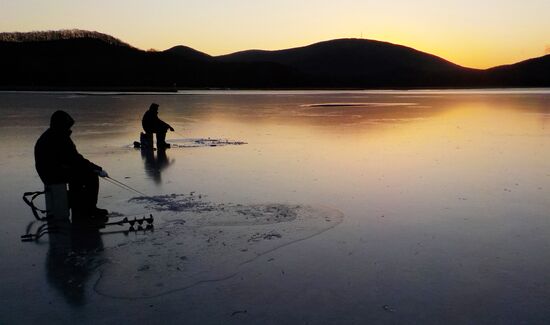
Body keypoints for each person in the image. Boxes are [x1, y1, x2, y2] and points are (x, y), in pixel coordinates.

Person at [35, 110, 109, 224]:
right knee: (90, 176)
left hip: (48, 173)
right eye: (67, 126)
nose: (70, 129)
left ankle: (79, 209)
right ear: (62, 125)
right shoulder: (59, 137)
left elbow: (72, 160)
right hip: (53, 174)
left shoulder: (52, 134)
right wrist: (96, 169)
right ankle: (90, 209)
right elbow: (75, 160)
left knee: (78, 176)